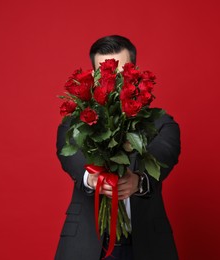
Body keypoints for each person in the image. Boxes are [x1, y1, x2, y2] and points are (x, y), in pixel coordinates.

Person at [55, 35, 181, 260]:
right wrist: (90, 179)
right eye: (105, 75)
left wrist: (139, 182)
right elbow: (70, 157)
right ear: (93, 77)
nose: (113, 82)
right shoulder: (76, 123)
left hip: (146, 245)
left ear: (134, 73)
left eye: (120, 74)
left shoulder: (161, 123)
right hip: (85, 245)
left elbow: (165, 155)